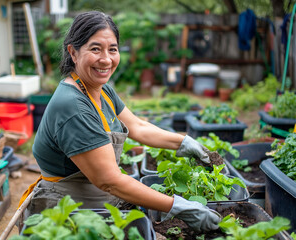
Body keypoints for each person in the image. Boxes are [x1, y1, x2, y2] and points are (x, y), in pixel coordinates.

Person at [19, 10, 221, 232]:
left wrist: (184, 143)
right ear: (73, 53)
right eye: (95, 49)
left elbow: (137, 127)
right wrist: (178, 207)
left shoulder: (101, 90)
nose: (106, 59)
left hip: (97, 204)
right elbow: (109, 180)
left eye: (112, 49)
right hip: (69, 215)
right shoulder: (73, 105)